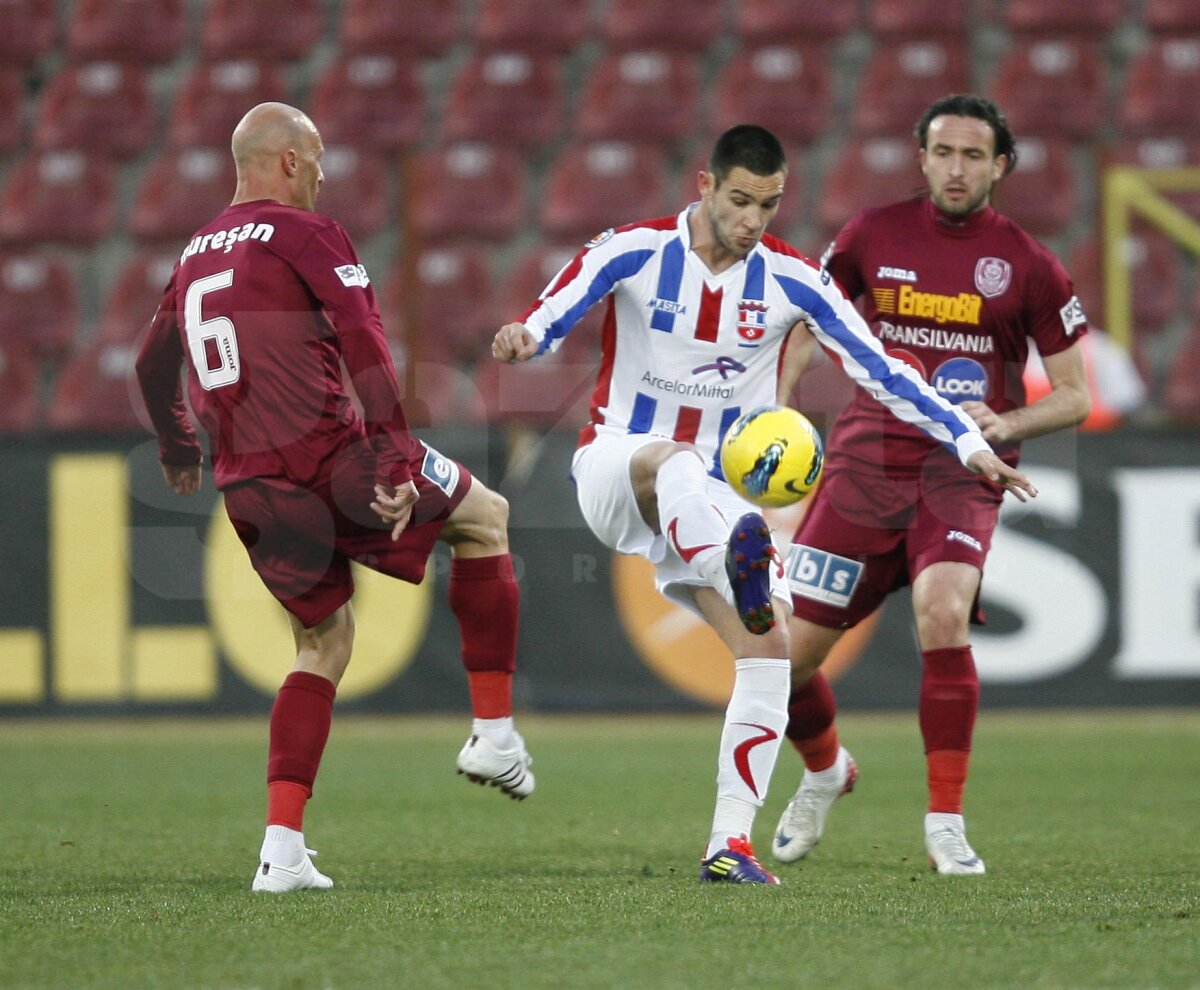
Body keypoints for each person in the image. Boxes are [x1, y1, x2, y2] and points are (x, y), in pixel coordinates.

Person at [492, 124, 1034, 884]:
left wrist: (968, 445)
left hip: (712, 496)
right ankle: (734, 563)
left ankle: (730, 845)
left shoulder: (792, 279)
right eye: (740, 201)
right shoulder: (634, 250)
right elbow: (557, 307)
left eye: (769, 206)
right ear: (706, 186)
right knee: (675, 460)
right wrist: (527, 336)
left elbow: (885, 370)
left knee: (771, 650)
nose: (753, 220)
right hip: (620, 467)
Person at [136, 103, 534, 894]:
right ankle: (493, 733)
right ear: (287, 162)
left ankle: (281, 851)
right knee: (486, 518)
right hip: (336, 460)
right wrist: (391, 455)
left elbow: (152, 364)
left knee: (320, 645)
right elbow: (364, 337)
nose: (321, 176)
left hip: (248, 484)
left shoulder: (193, 256)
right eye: (315, 161)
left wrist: (180, 446)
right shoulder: (307, 234)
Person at [770, 94, 1091, 876]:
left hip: (959, 471)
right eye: (943, 152)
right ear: (921, 157)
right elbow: (806, 323)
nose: (956, 168)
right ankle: (825, 771)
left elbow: (1076, 395)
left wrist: (1003, 427)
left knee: (942, 613)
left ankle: (945, 820)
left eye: (973, 156)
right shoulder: (871, 235)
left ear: (1000, 167)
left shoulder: (1030, 264)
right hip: (862, 466)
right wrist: (774, 413)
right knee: (780, 669)